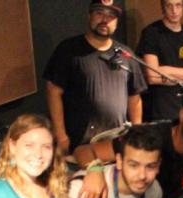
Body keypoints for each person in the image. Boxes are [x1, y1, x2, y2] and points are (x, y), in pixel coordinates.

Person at [43, 1, 146, 153]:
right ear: (89, 16)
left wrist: (135, 133)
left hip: (115, 142)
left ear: (116, 22)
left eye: (111, 16)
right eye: (99, 13)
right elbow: (53, 91)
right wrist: (61, 134)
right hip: (80, 144)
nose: (105, 19)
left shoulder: (126, 54)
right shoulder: (69, 50)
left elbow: (134, 97)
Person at [138, 0, 183, 122]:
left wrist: (165, 70)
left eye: (178, 5)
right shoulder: (151, 33)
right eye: (169, 5)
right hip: (161, 109)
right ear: (163, 7)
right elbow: (152, 76)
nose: (174, 11)